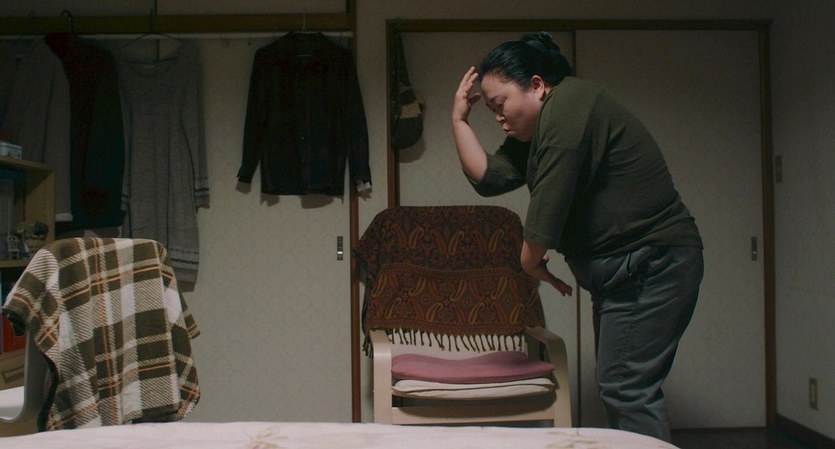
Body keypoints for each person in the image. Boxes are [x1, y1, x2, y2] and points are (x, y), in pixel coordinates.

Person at [451, 32, 704, 442]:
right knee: (622, 387)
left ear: (537, 85)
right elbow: (489, 176)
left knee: (627, 388)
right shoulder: (539, 130)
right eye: (492, 109)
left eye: (500, 104)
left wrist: (529, 261)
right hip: (627, 274)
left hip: (651, 263)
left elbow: (549, 204)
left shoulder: (569, 107)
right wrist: (458, 120)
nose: (497, 117)